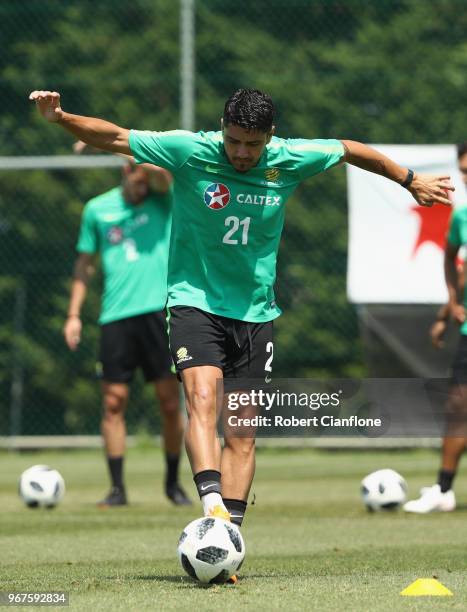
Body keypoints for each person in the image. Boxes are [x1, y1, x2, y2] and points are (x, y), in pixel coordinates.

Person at [30, 88, 453, 532]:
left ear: (270, 136)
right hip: (194, 302)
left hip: (255, 313)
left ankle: (228, 534)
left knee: (243, 432)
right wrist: (60, 117)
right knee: (202, 401)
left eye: (253, 144)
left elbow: (350, 149)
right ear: (222, 129)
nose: (242, 153)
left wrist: (409, 180)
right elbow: (115, 137)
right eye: (234, 141)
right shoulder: (190, 150)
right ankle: (210, 510)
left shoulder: (289, 159)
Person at [64, 154, 191, 507]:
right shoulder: (97, 210)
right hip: (115, 317)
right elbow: (84, 265)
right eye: (137, 180)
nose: (143, 187)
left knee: (168, 403)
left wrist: (145, 162)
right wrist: (74, 314)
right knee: (113, 402)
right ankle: (117, 489)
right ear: (124, 173)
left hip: (158, 314)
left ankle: (172, 483)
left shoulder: (162, 198)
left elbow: (164, 178)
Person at [404, 142, 467, 513]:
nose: (466, 177)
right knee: (459, 406)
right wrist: (451, 309)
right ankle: (443, 490)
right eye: (463, 171)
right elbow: (455, 264)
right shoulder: (461, 217)